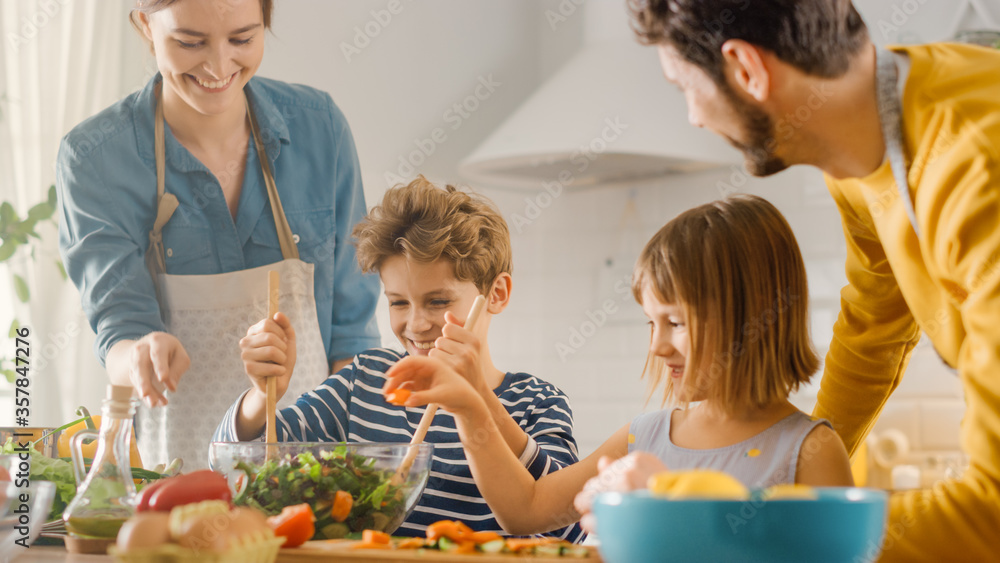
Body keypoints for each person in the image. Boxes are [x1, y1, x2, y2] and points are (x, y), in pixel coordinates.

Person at [614, 1, 1000, 560]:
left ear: (747, 69)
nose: (694, 117)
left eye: (683, 88)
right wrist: (797, 470)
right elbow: (874, 324)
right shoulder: (864, 150)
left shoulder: (974, 169)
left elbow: (991, 511)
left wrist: (736, 528)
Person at [384, 195, 854, 536]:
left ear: (749, 317)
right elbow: (524, 511)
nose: (657, 346)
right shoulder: (643, 437)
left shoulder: (809, 452)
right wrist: (469, 409)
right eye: (651, 322)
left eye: (676, 323)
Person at [55, 0, 380, 469]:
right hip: (180, 482)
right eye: (190, 42)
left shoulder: (320, 129)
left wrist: (354, 474)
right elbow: (119, 332)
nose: (219, 65)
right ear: (144, 24)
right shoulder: (94, 159)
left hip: (316, 479)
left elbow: (354, 338)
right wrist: (142, 353)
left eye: (243, 39)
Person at [213, 176, 585, 541]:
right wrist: (262, 396)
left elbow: (566, 523)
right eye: (398, 303)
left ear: (497, 294)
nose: (416, 324)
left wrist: (475, 401)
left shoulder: (537, 402)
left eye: (438, 301)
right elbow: (240, 471)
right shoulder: (365, 383)